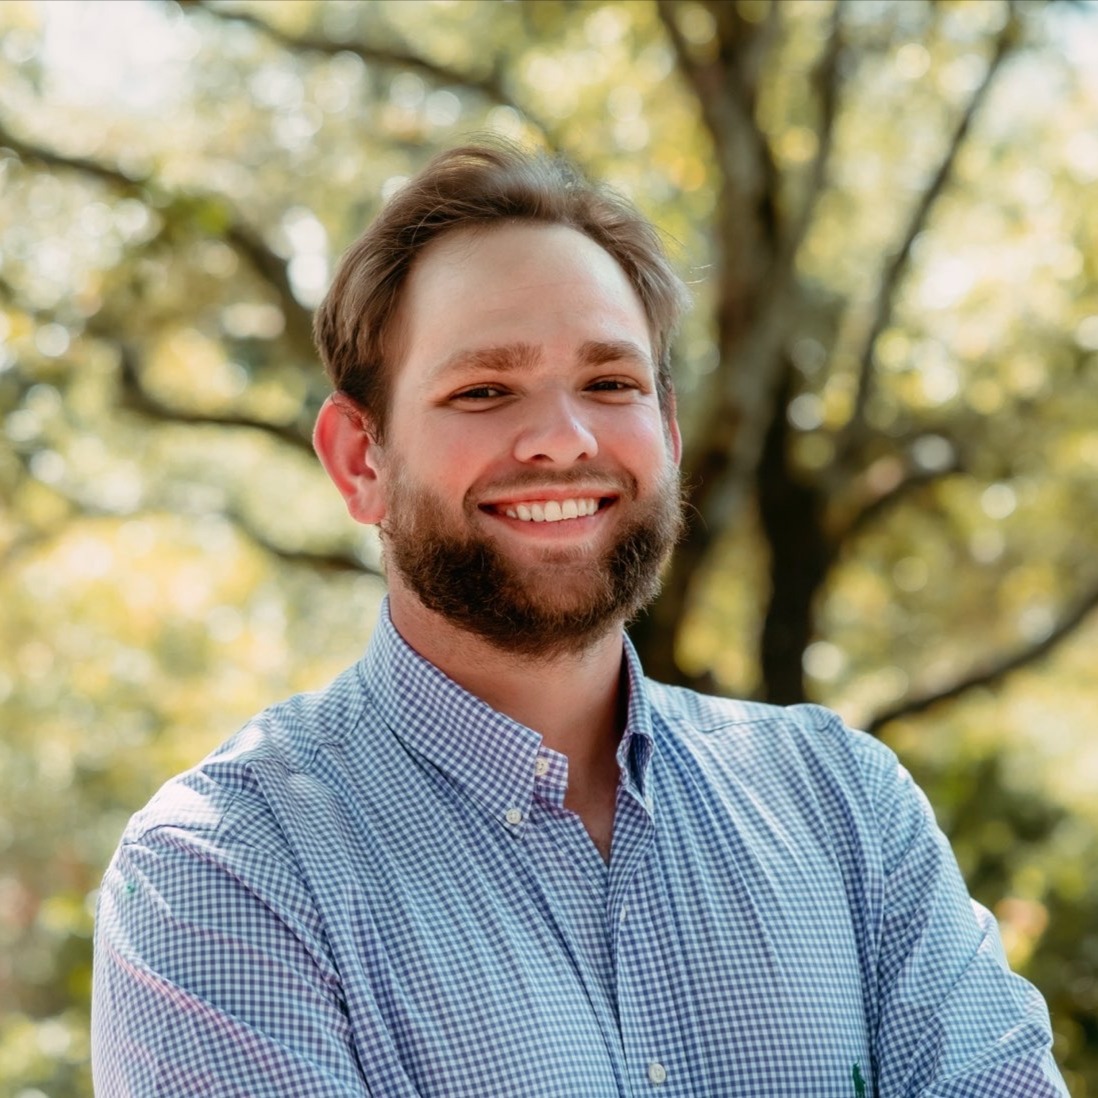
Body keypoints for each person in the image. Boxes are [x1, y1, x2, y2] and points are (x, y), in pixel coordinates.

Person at [91, 140, 1067, 1097]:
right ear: (360, 458)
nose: (564, 439)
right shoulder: (228, 871)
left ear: (671, 432)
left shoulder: (847, 806)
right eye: (484, 390)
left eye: (611, 384)